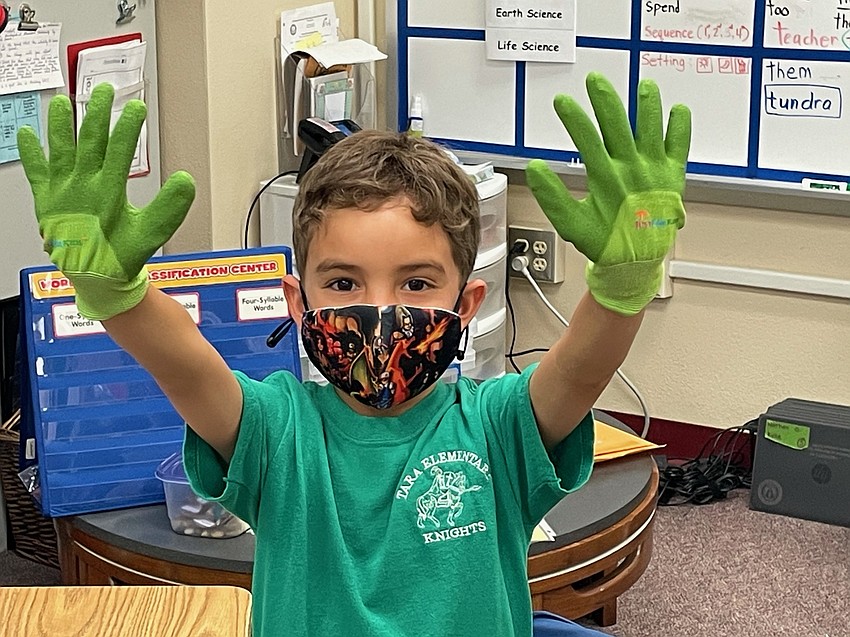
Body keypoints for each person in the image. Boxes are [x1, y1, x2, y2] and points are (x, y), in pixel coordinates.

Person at [16, 72, 690, 636]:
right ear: (297, 300)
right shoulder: (278, 430)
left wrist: (623, 287)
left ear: (466, 303)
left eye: (417, 282)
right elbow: (186, 363)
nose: (378, 310)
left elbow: (579, 367)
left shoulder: (499, 425)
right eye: (342, 282)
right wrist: (118, 293)